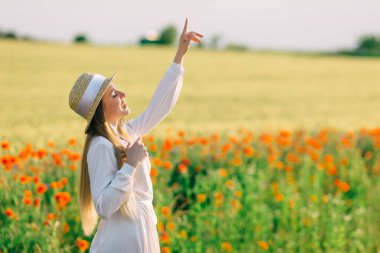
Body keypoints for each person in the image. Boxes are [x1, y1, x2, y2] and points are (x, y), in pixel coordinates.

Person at [68, 18, 203, 253]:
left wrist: (179, 56)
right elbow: (104, 207)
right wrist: (130, 164)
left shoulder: (127, 132)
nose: (123, 93)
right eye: (113, 95)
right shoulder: (100, 145)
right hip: (122, 240)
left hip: (141, 229)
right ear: (100, 109)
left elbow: (159, 106)